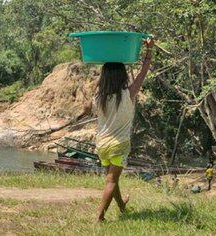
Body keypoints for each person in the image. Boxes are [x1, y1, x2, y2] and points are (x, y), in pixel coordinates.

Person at [85, 38, 154, 222]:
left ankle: (122, 204)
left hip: (101, 145)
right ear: (123, 76)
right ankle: (99, 216)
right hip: (118, 144)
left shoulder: (98, 97)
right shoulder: (128, 94)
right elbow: (143, 72)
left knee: (111, 179)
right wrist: (149, 50)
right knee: (111, 181)